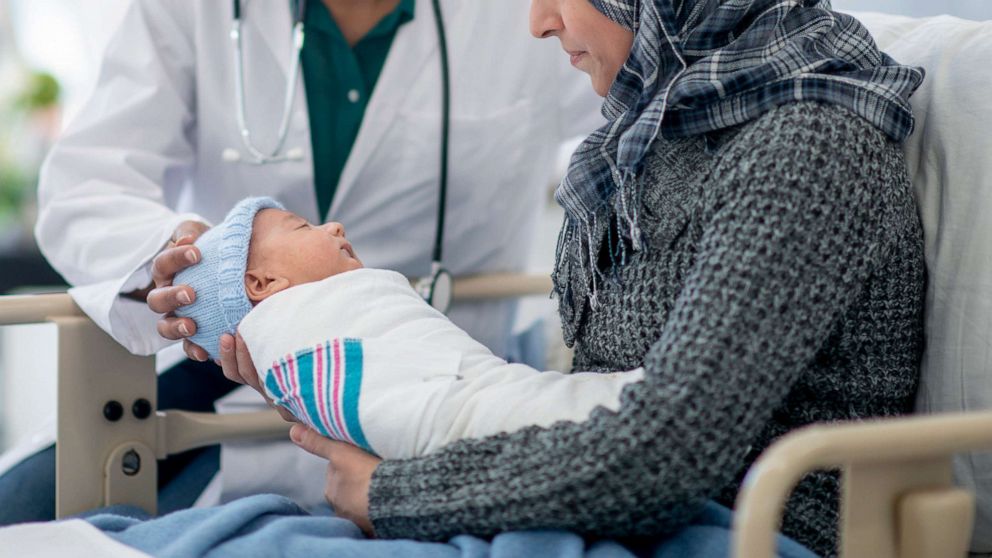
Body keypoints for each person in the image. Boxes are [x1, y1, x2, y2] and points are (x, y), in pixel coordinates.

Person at [225, 0, 927, 555]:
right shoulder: (653, 131)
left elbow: (672, 450)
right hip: (601, 507)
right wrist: (312, 357)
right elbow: (580, 406)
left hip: (740, 526)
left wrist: (395, 494)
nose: (536, 23)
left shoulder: (804, 151)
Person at [0, 0, 604, 524]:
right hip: (227, 393)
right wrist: (182, 254)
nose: (334, 232)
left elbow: (643, 95)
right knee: (24, 513)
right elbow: (84, 187)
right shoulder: (190, 11)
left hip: (443, 388)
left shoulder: (531, 15)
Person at [175, 196, 642, 459]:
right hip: (450, 414)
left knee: (561, 407)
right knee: (574, 415)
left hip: (477, 389)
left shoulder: (350, 303)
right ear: (264, 283)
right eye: (302, 228)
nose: (334, 226)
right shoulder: (294, 334)